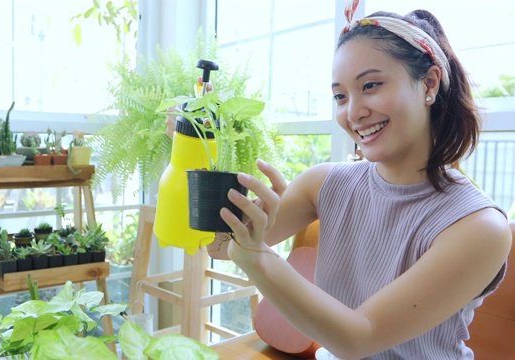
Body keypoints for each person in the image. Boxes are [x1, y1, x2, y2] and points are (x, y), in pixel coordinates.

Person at [167, 2, 512, 359]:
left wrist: (257, 257)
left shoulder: (480, 227)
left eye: (371, 85)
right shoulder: (324, 184)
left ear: (429, 83)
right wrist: (191, 154)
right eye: (340, 96)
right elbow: (221, 248)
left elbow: (360, 337)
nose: (353, 111)